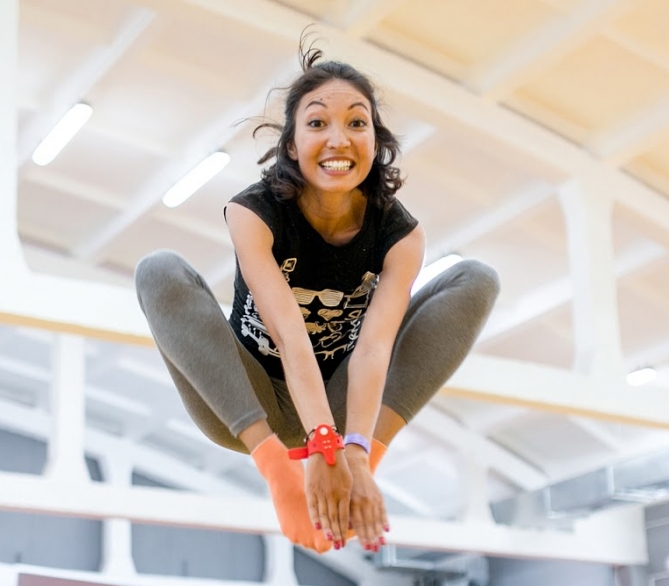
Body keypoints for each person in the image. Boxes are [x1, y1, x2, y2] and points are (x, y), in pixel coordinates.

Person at [135, 45, 499, 555]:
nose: (338, 139)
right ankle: (276, 467)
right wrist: (317, 447)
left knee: (476, 278)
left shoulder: (400, 236)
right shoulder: (253, 213)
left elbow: (374, 348)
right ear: (291, 144)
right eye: (317, 123)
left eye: (356, 123)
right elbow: (288, 336)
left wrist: (352, 453)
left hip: (341, 400)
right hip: (247, 400)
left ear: (376, 141)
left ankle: (361, 461)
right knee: (158, 269)